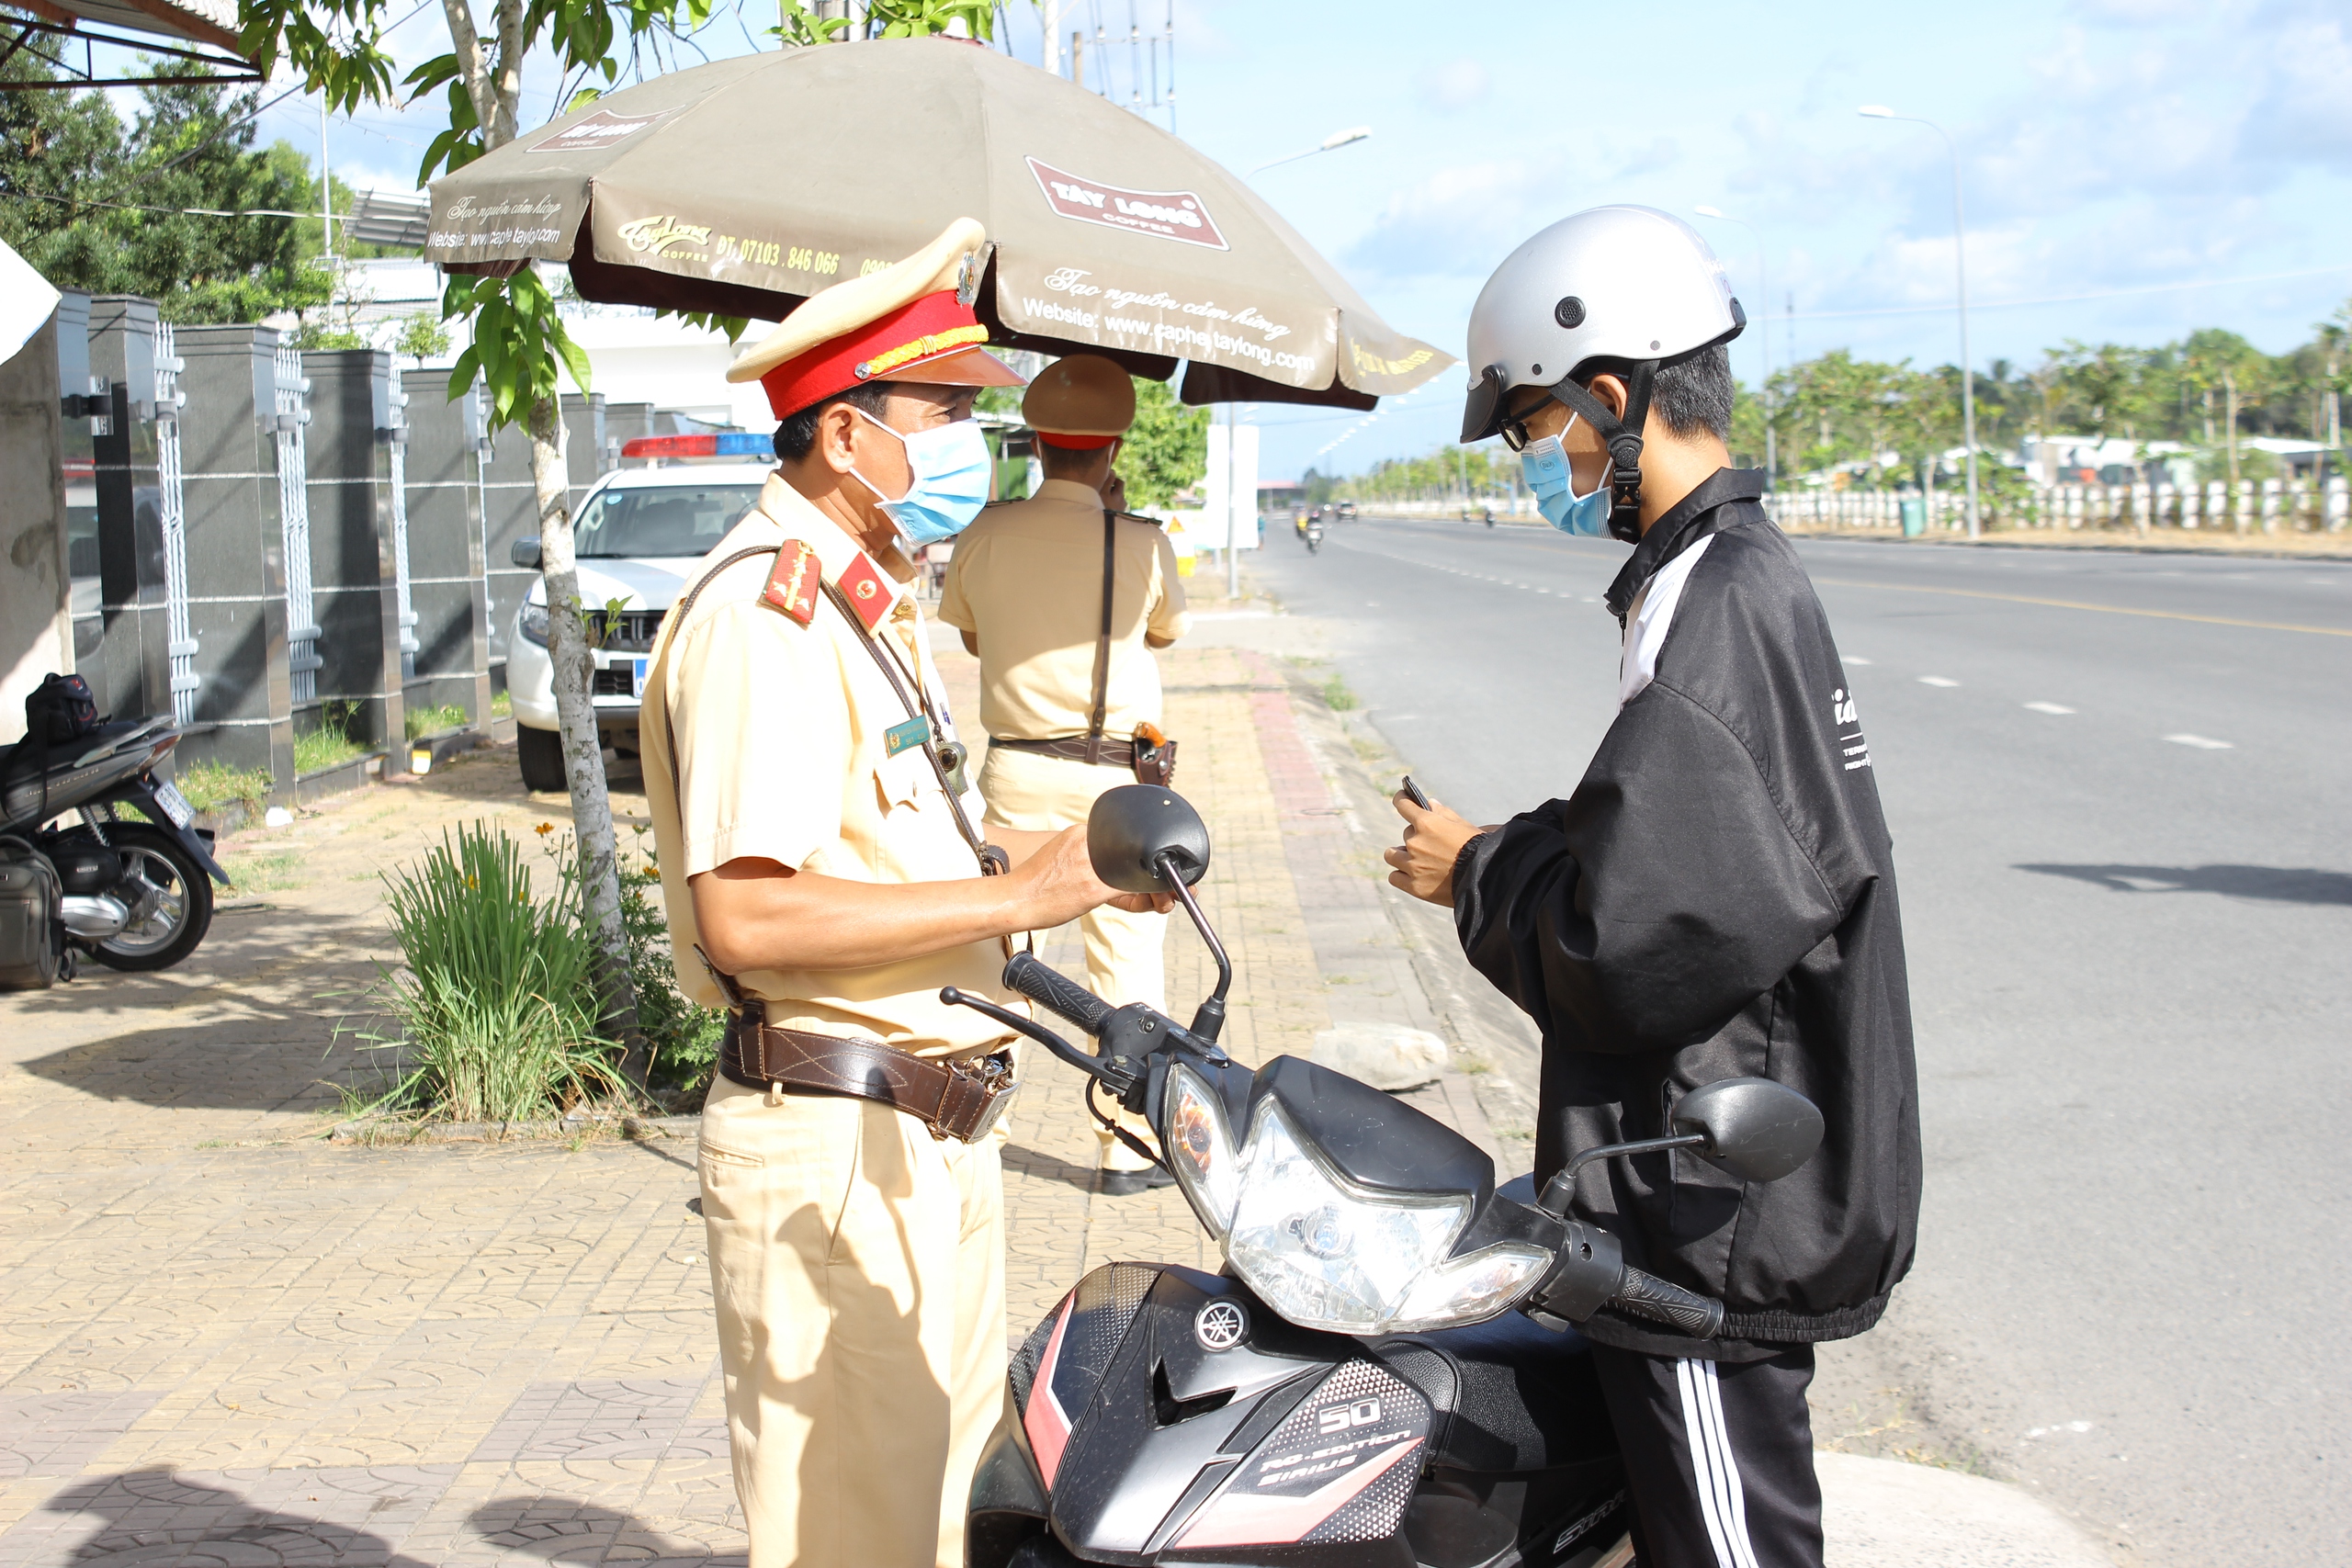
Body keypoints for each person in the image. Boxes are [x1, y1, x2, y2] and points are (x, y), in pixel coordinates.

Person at [1383, 205, 1921, 1568]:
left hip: (1706, 1218)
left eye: (1532, 426)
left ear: (1610, 396)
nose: (1535, 462)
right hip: (1701, 1167)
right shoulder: (1709, 575)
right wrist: (1519, 841)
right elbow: (1673, 833)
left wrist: (1479, 871)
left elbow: (1640, 932)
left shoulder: (1721, 598)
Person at [639, 219, 1166, 1568]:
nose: (964, 442)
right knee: (861, 1540)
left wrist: (1019, 872)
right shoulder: (772, 620)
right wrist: (1015, 899)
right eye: (940, 409)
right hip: (838, 1139)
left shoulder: (864, 607)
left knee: (933, 1523)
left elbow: (877, 852)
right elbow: (746, 915)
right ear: (842, 433)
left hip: (920, 1134)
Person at [938, 353, 1191, 1196]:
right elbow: (1163, 634)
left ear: (1037, 443)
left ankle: (974, 1128)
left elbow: (972, 637)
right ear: (1113, 450)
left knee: (1005, 951)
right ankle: (1125, 1148)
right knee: (1127, 957)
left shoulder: (984, 532)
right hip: (1120, 779)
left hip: (1013, 773)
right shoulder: (1144, 542)